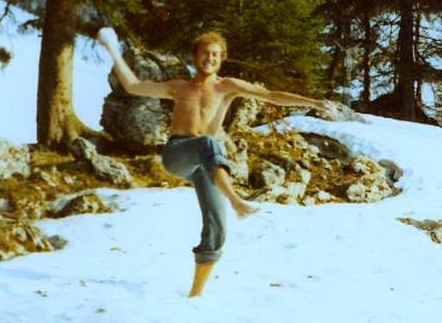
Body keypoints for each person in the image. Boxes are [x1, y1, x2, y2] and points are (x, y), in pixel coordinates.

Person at [97, 27, 336, 297]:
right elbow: (132, 85)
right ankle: (237, 202)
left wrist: (313, 102)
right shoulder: (179, 87)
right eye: (205, 53)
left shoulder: (227, 87)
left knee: (217, 227)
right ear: (194, 56)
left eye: (215, 54)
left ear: (221, 58)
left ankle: (195, 296)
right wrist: (112, 48)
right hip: (178, 153)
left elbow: (271, 95)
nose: (209, 58)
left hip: (205, 163)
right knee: (209, 144)